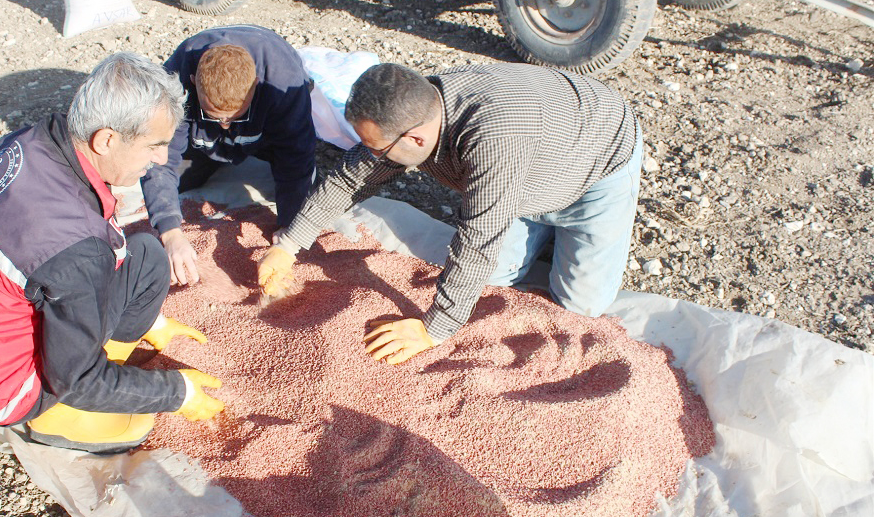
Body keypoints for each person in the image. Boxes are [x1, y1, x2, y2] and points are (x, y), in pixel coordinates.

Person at [0, 52, 225, 453]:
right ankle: (51, 414)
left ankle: (111, 351)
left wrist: (151, 323)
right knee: (132, 426)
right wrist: (178, 393)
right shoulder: (75, 247)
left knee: (148, 256)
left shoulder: (30, 141)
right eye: (154, 146)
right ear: (106, 139)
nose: (162, 159)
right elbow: (75, 377)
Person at [257, 62, 643, 365]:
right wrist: (289, 244)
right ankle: (537, 227)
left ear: (415, 139)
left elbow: (478, 239)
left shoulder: (492, 140)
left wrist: (434, 330)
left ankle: (564, 231)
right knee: (491, 277)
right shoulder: (415, 106)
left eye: (377, 149)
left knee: (582, 305)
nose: (372, 156)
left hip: (594, 165)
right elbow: (352, 176)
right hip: (524, 170)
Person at [141, 25, 317, 287]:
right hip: (201, 141)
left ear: (256, 84)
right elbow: (159, 157)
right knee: (168, 178)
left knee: (303, 185)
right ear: (192, 82)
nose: (224, 125)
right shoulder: (173, 85)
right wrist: (170, 232)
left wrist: (289, 228)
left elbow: (296, 156)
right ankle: (214, 152)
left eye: (233, 116)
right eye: (215, 115)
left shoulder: (284, 83)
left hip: (265, 135)